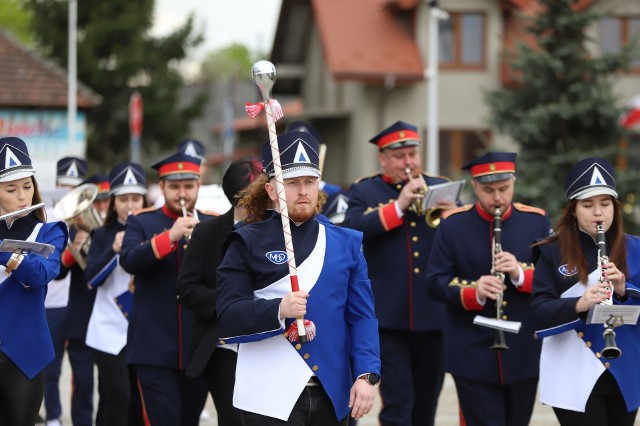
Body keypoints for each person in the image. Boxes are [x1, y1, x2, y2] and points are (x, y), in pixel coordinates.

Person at [215, 130, 381, 425]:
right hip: (267, 395)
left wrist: (367, 375)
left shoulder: (347, 242)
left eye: (309, 182)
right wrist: (278, 309)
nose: (303, 191)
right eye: (291, 183)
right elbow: (228, 316)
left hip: (334, 392)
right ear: (271, 190)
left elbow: (362, 318)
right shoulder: (245, 242)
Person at [342, 120, 455, 426]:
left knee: (426, 404)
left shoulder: (439, 186)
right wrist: (400, 205)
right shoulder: (366, 190)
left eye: (412, 154)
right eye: (400, 155)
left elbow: (460, 242)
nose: (408, 162)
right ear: (383, 159)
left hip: (433, 315)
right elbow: (352, 230)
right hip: (389, 317)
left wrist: (453, 217)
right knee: (397, 403)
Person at [425, 152, 551, 426]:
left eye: (504, 189)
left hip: (522, 351)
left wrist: (519, 273)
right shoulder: (453, 224)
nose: (497, 198)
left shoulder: (536, 220)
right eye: (489, 190)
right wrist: (476, 291)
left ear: (514, 183)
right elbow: (434, 282)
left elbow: (553, 279)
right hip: (471, 350)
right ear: (475, 187)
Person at [531, 157, 640, 426]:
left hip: (625, 369)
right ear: (574, 210)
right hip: (572, 369)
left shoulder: (635, 248)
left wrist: (625, 290)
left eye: (605, 204)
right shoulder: (552, 251)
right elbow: (538, 312)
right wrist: (579, 303)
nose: (598, 213)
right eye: (588, 205)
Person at [120, 151, 214, 426]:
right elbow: (129, 260)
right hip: (153, 346)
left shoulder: (212, 223)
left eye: (188, 186)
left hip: (197, 348)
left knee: (189, 420)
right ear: (161, 187)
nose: (181, 193)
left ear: (198, 185)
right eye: (174, 187)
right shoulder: (140, 220)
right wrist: (169, 237)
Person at [177, 158, 263, 426]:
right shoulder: (208, 231)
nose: (252, 205)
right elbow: (187, 289)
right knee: (235, 417)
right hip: (223, 343)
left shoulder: (278, 231)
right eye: (244, 199)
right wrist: (233, 305)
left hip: (269, 342)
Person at [0, 136, 68, 425]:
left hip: (23, 353)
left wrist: (3, 248)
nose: (22, 197)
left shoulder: (50, 231)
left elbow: (41, 274)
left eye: (27, 186)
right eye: (11, 189)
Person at [84, 162, 149, 426]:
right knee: (117, 395)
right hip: (108, 329)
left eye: (135, 198)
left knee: (135, 399)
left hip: (142, 327)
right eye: (123, 199)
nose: (130, 205)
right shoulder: (101, 233)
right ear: (113, 201)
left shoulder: (154, 227)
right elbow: (91, 280)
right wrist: (113, 249)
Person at [58, 173, 110, 426]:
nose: (100, 208)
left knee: (112, 386)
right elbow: (58, 273)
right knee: (83, 385)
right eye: (96, 202)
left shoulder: (118, 231)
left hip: (111, 320)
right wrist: (73, 251)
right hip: (81, 321)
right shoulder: (69, 232)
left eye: (105, 201)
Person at [43, 156, 88, 426]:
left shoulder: (88, 221)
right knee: (51, 367)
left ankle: (82, 418)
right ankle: (53, 416)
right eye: (63, 186)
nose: (67, 193)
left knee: (83, 371)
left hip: (80, 304)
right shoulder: (45, 218)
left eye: (73, 187)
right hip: (51, 303)